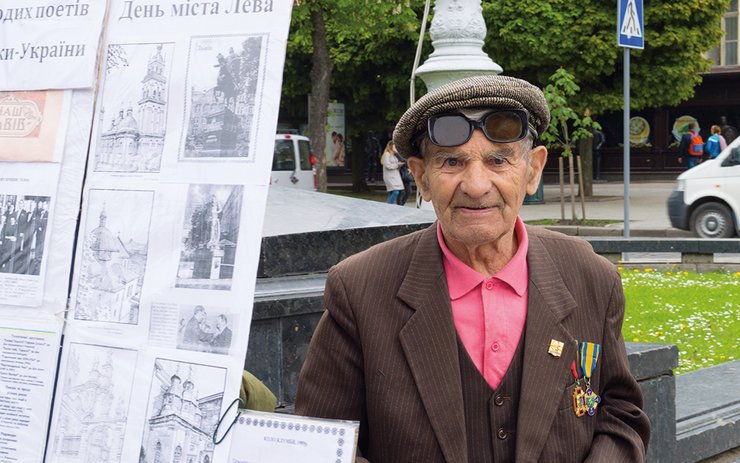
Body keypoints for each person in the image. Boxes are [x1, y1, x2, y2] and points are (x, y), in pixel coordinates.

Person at [296, 75, 650, 462]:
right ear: (421, 177)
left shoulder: (590, 277)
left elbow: (620, 414)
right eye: (452, 162)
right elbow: (322, 442)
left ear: (533, 170)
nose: (476, 185)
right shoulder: (360, 288)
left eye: (498, 160)